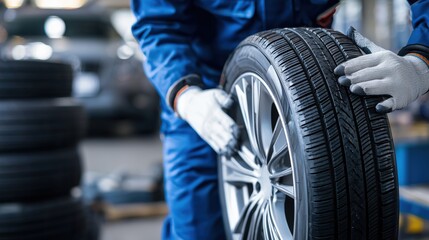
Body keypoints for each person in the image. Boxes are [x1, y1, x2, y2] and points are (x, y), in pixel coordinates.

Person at [131, 1, 429, 239]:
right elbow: (158, 24)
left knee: (339, 217)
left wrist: (421, 61)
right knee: (197, 226)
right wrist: (186, 96)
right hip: (206, 103)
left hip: (313, 96)